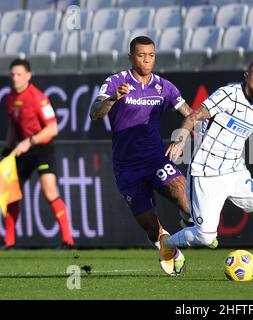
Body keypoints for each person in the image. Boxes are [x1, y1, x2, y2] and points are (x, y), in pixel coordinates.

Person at [164, 55, 253, 279]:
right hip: (206, 172)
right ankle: (168, 243)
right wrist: (181, 139)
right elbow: (195, 114)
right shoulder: (227, 95)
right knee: (205, 237)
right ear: (246, 76)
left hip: (236, 171)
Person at [90, 36, 195, 275]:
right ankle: (171, 250)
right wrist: (114, 98)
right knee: (151, 228)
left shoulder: (164, 87)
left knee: (182, 194)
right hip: (127, 167)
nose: (147, 60)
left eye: (151, 55)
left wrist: (185, 135)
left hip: (155, 158)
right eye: (141, 55)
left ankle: (184, 217)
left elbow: (189, 114)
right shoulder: (115, 82)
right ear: (130, 57)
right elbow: (95, 113)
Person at [1, 59, 74, 250]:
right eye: (13, 75)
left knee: (49, 190)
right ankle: (9, 241)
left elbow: (53, 128)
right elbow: (13, 127)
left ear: (28, 76)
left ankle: (68, 240)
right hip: (22, 150)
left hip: (42, 149)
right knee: (11, 193)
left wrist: (29, 142)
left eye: (19, 74)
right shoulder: (10, 98)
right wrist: (7, 150)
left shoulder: (38, 98)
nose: (15, 78)